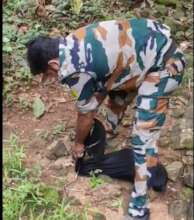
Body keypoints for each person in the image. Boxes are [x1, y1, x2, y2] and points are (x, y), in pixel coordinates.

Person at [26, 18, 186, 220]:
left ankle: (139, 208)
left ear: (54, 64)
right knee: (115, 96)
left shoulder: (72, 68)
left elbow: (85, 113)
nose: (51, 79)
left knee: (143, 139)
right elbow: (101, 85)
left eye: (48, 74)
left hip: (164, 67)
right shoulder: (73, 41)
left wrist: (78, 144)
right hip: (143, 59)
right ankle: (109, 131)